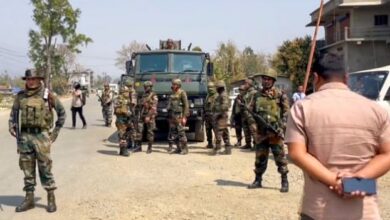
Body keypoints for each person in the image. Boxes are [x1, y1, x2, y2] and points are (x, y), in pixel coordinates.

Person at [285, 53, 390, 220]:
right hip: (364, 211)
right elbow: (387, 154)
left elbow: (296, 154)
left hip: (319, 210)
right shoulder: (376, 110)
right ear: (346, 78)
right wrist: (357, 181)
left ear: (315, 77)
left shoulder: (302, 108)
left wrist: (335, 182)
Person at [8, 69, 66, 213]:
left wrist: (54, 134)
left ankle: (51, 197)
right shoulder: (20, 97)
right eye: (28, 79)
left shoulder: (48, 96)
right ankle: (29, 199)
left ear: (39, 80)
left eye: (33, 79)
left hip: (42, 137)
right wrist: (11, 125)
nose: (31, 81)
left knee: (45, 168)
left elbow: (62, 114)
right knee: (27, 169)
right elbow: (13, 114)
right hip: (25, 137)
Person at [246, 70, 290, 193]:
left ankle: (284, 181)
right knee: (260, 158)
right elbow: (249, 113)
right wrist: (254, 128)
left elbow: (287, 113)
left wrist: (281, 127)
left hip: (275, 133)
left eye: (268, 79)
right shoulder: (256, 95)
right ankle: (258, 180)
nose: (265, 81)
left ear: (273, 81)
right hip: (261, 133)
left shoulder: (280, 95)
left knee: (280, 158)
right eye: (264, 79)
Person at [167, 78, 189, 154]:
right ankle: (178, 148)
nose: (173, 85)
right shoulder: (172, 93)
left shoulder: (182, 93)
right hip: (172, 116)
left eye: (174, 84)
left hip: (179, 116)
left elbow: (186, 105)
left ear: (179, 85)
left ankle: (185, 149)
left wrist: (184, 117)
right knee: (174, 133)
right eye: (172, 84)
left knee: (181, 132)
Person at [136, 81, 158, 154]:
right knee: (139, 131)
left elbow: (154, 108)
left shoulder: (153, 96)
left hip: (150, 116)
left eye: (146, 87)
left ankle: (149, 147)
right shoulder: (144, 95)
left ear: (150, 87)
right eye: (144, 87)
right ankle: (139, 146)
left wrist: (148, 116)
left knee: (150, 132)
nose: (145, 88)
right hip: (142, 115)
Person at [211, 81, 232, 155]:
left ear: (220, 88)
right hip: (221, 115)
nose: (216, 89)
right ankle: (228, 149)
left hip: (222, 116)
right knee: (225, 132)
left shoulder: (223, 95)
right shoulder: (219, 95)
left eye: (217, 88)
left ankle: (217, 149)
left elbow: (225, 106)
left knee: (219, 132)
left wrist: (217, 113)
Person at [113, 86, 132, 157]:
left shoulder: (127, 99)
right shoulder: (118, 99)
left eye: (128, 92)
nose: (128, 93)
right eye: (126, 91)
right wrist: (124, 112)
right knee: (122, 135)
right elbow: (116, 110)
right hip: (121, 119)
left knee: (126, 134)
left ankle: (122, 149)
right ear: (122, 92)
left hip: (127, 119)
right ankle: (124, 150)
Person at [240, 78, 257, 150]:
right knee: (246, 129)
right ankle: (248, 143)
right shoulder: (246, 93)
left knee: (253, 130)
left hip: (251, 114)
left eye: (245, 83)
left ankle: (256, 144)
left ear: (249, 84)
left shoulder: (254, 92)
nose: (244, 85)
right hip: (245, 114)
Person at [124, 80, 138, 152]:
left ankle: (135, 144)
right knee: (128, 129)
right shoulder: (128, 92)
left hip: (132, 113)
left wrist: (130, 112)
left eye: (127, 85)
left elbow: (133, 104)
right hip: (128, 113)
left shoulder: (132, 92)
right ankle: (129, 143)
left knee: (133, 129)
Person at [204, 81, 218, 149]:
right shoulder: (208, 95)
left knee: (216, 130)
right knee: (208, 130)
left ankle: (217, 144)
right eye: (208, 87)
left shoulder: (217, 95)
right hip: (207, 115)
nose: (210, 89)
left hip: (214, 115)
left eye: (211, 87)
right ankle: (210, 143)